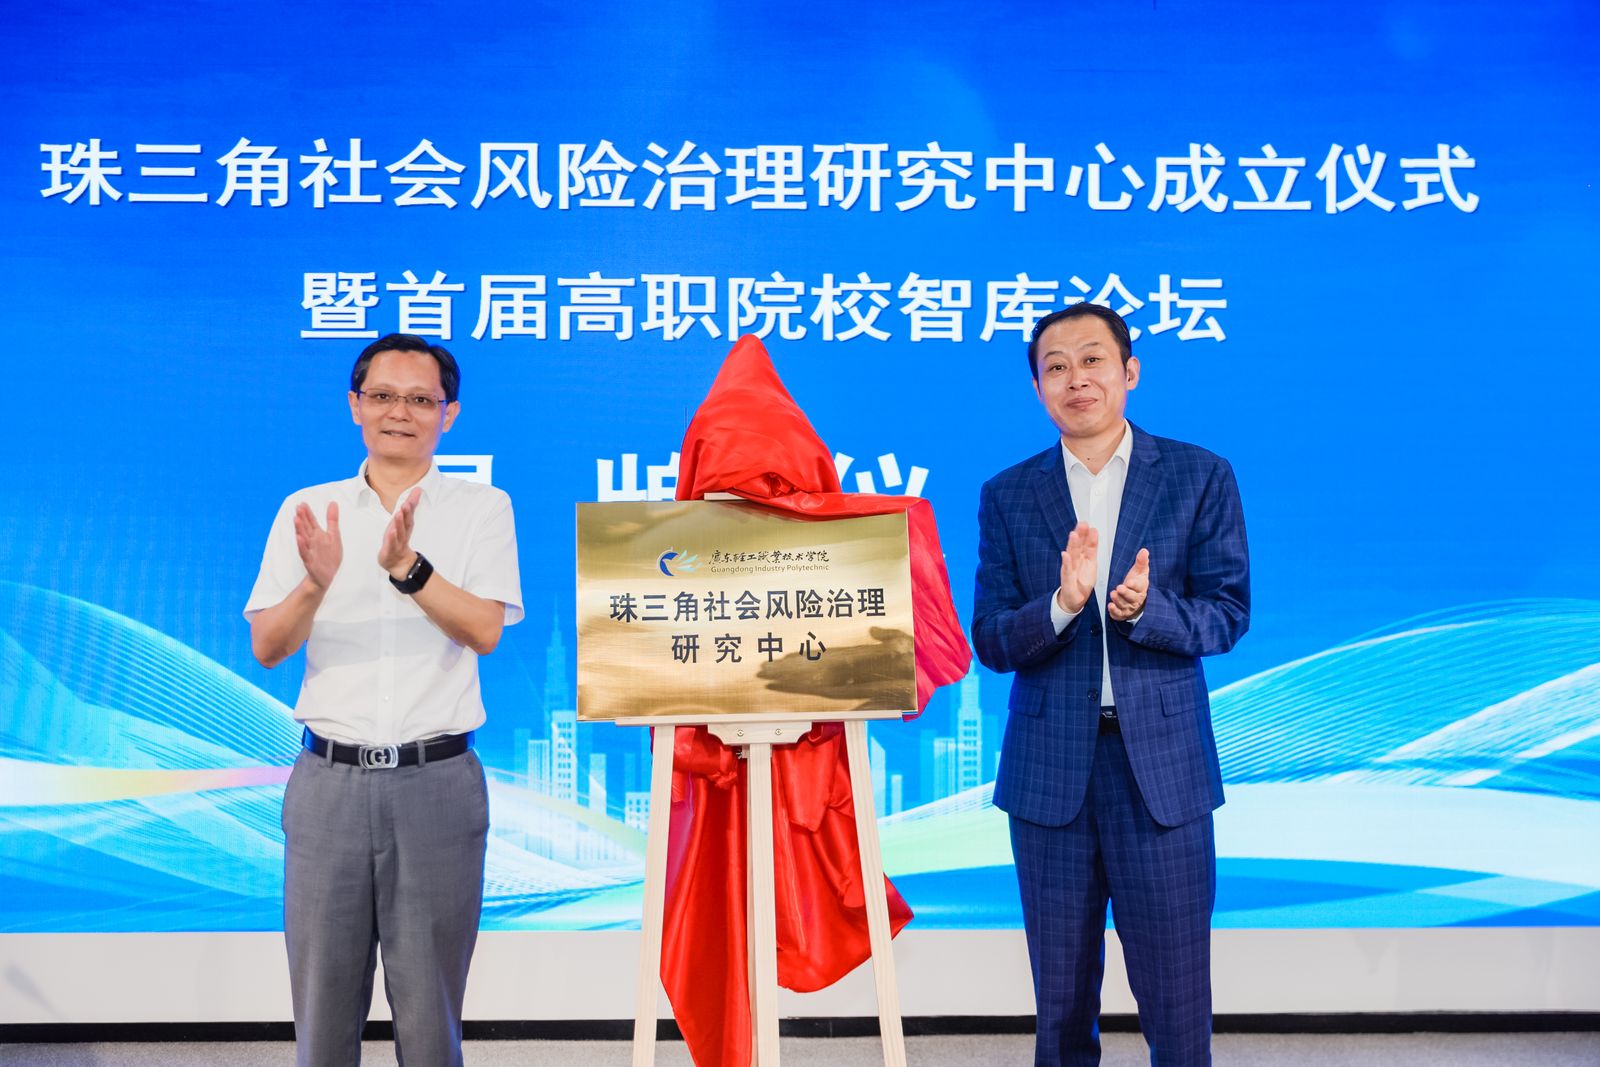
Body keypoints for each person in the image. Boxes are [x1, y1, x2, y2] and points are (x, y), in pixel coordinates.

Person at [972, 304, 1249, 1066]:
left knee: (1177, 1000)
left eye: (1092, 360)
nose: (1076, 379)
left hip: (1162, 771)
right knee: (1060, 1008)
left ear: (1130, 371)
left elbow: (1228, 612)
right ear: (1038, 388)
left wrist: (1147, 611)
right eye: (1056, 366)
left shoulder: (1199, 475)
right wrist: (1062, 606)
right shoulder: (1008, 493)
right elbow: (991, 637)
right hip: (1049, 776)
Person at [245, 334, 522, 1067]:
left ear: (449, 414)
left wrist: (408, 567)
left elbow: (484, 630)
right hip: (328, 785)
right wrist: (316, 582)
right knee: (322, 1017)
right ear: (355, 405)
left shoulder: (482, 508)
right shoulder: (310, 509)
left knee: (431, 1019)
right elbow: (268, 646)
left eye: (421, 399)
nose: (400, 412)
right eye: (383, 395)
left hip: (438, 783)